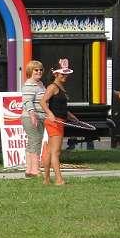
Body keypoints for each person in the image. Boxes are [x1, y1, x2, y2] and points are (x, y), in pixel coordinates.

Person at [40, 58, 79, 186]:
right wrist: (50, 114)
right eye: (63, 74)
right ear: (56, 74)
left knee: (51, 151)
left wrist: (71, 116)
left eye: (66, 73)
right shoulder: (53, 87)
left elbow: (60, 106)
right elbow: (43, 101)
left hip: (60, 120)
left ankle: (46, 179)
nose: (65, 76)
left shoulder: (60, 88)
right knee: (56, 152)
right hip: (54, 122)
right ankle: (59, 180)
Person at [21, 60, 45, 178]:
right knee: (35, 140)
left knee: (32, 141)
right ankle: (35, 169)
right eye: (36, 70)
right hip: (31, 117)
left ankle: (29, 169)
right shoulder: (30, 84)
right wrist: (32, 114)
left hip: (40, 116)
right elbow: (27, 101)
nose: (39, 72)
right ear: (30, 71)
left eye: (40, 70)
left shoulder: (40, 84)